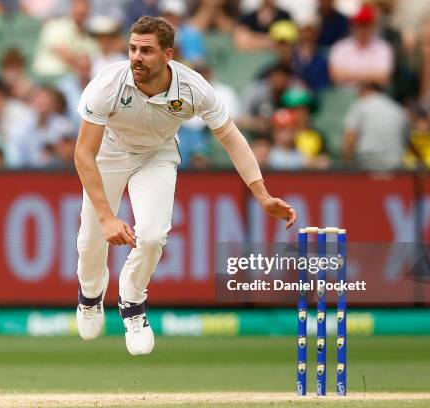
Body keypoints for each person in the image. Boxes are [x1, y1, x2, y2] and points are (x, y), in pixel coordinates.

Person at [74, 16, 296, 355]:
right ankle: (90, 296)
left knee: (151, 236)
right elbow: (83, 153)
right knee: (91, 239)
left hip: (157, 155)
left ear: (168, 55)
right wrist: (107, 216)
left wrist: (262, 195)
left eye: (146, 51)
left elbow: (233, 140)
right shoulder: (108, 84)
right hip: (110, 153)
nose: (136, 57)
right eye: (133, 49)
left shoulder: (194, 88)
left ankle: (132, 304)